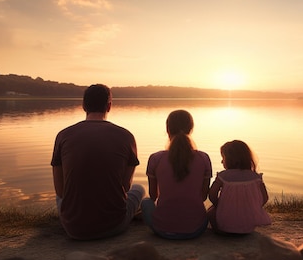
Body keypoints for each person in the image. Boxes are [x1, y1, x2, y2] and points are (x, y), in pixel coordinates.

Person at [51, 84, 145, 240]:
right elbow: (125, 187)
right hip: (114, 225)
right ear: (109, 106)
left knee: (62, 196)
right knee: (139, 189)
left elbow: (60, 191)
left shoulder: (63, 135)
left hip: (73, 228)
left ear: (83, 106)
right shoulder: (126, 136)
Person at [140, 110, 212, 239]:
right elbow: (203, 196)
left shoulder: (155, 158)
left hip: (161, 230)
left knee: (145, 202)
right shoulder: (203, 158)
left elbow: (153, 195)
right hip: (195, 230)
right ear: (191, 129)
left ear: (167, 129)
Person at [207, 140, 271, 235]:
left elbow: (212, 195)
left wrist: (219, 205)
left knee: (210, 212)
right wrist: (252, 207)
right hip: (248, 228)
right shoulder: (256, 177)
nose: (221, 161)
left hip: (225, 227)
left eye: (223, 158)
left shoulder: (223, 176)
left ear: (231, 160)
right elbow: (265, 198)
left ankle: (219, 231)